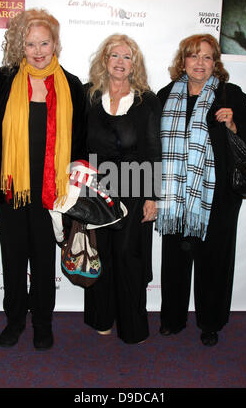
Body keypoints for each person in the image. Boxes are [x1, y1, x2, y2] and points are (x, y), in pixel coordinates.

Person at [0, 9, 85, 350]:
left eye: (44, 43)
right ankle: (15, 320)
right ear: (21, 45)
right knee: (14, 258)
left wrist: (74, 190)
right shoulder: (4, 80)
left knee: (43, 257)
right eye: (30, 43)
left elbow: (81, 144)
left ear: (55, 44)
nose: (38, 51)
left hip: (51, 192)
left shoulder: (72, 85)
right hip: (10, 189)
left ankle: (43, 323)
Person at [156, 34, 246, 346]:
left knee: (214, 262)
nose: (200, 63)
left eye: (207, 57)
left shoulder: (230, 94)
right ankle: (172, 320)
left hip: (216, 197)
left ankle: (211, 322)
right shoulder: (166, 95)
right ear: (183, 61)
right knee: (175, 261)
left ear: (215, 62)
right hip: (175, 197)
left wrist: (234, 125)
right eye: (194, 56)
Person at [83, 34, 161, 344]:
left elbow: (155, 147)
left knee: (130, 257)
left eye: (127, 57)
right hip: (97, 188)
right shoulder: (90, 97)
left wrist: (153, 195)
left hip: (135, 184)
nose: (120, 62)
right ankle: (102, 317)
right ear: (104, 60)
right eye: (114, 55)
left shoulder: (147, 100)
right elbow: (79, 143)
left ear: (134, 64)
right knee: (101, 254)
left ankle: (132, 327)